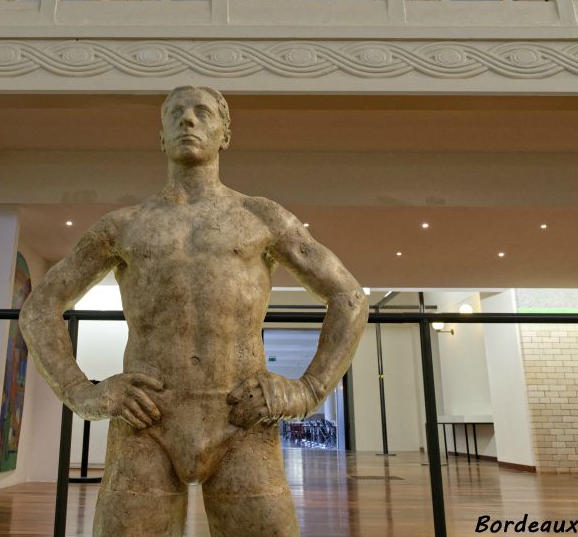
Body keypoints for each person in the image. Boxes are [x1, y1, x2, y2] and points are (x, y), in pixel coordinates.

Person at [20, 86, 368, 536]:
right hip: (148, 421)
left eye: (203, 113)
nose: (188, 120)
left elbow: (349, 298)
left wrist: (308, 391)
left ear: (225, 133)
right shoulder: (124, 226)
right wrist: (81, 393)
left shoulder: (260, 216)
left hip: (242, 419)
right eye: (176, 114)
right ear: (161, 137)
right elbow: (39, 310)